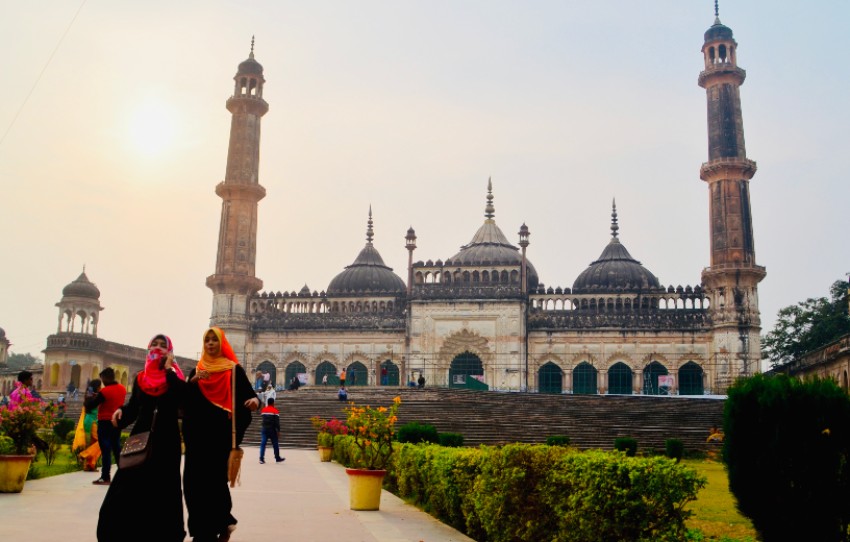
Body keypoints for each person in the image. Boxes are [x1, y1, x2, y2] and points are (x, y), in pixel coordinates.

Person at [96, 334, 187, 542]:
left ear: (170, 351)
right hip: (140, 438)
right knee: (126, 486)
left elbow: (183, 401)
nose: (158, 348)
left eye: (163, 346)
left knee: (163, 491)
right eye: (154, 344)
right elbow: (134, 408)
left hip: (166, 440)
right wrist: (120, 413)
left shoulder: (175, 377)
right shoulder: (141, 378)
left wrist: (169, 371)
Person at [183, 327, 259, 542]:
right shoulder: (197, 371)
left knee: (215, 483)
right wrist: (193, 382)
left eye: (214, 340)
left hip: (220, 438)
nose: (210, 344)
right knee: (192, 484)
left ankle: (219, 524)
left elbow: (250, 396)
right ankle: (205, 528)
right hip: (197, 438)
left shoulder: (233, 370)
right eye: (206, 340)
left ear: (221, 343)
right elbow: (185, 403)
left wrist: (254, 402)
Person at [85, 367, 127, 485]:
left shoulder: (105, 391)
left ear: (104, 378)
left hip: (105, 422)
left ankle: (105, 476)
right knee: (116, 448)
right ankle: (123, 474)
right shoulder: (122, 389)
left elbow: (91, 405)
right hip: (117, 421)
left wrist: (89, 395)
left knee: (106, 450)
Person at [259, 397, 285, 464]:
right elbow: (277, 422)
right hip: (272, 430)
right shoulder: (275, 411)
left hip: (264, 429)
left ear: (268, 402)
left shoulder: (264, 410)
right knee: (275, 444)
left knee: (263, 444)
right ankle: (277, 458)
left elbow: (263, 418)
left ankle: (261, 459)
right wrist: (278, 431)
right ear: (273, 403)